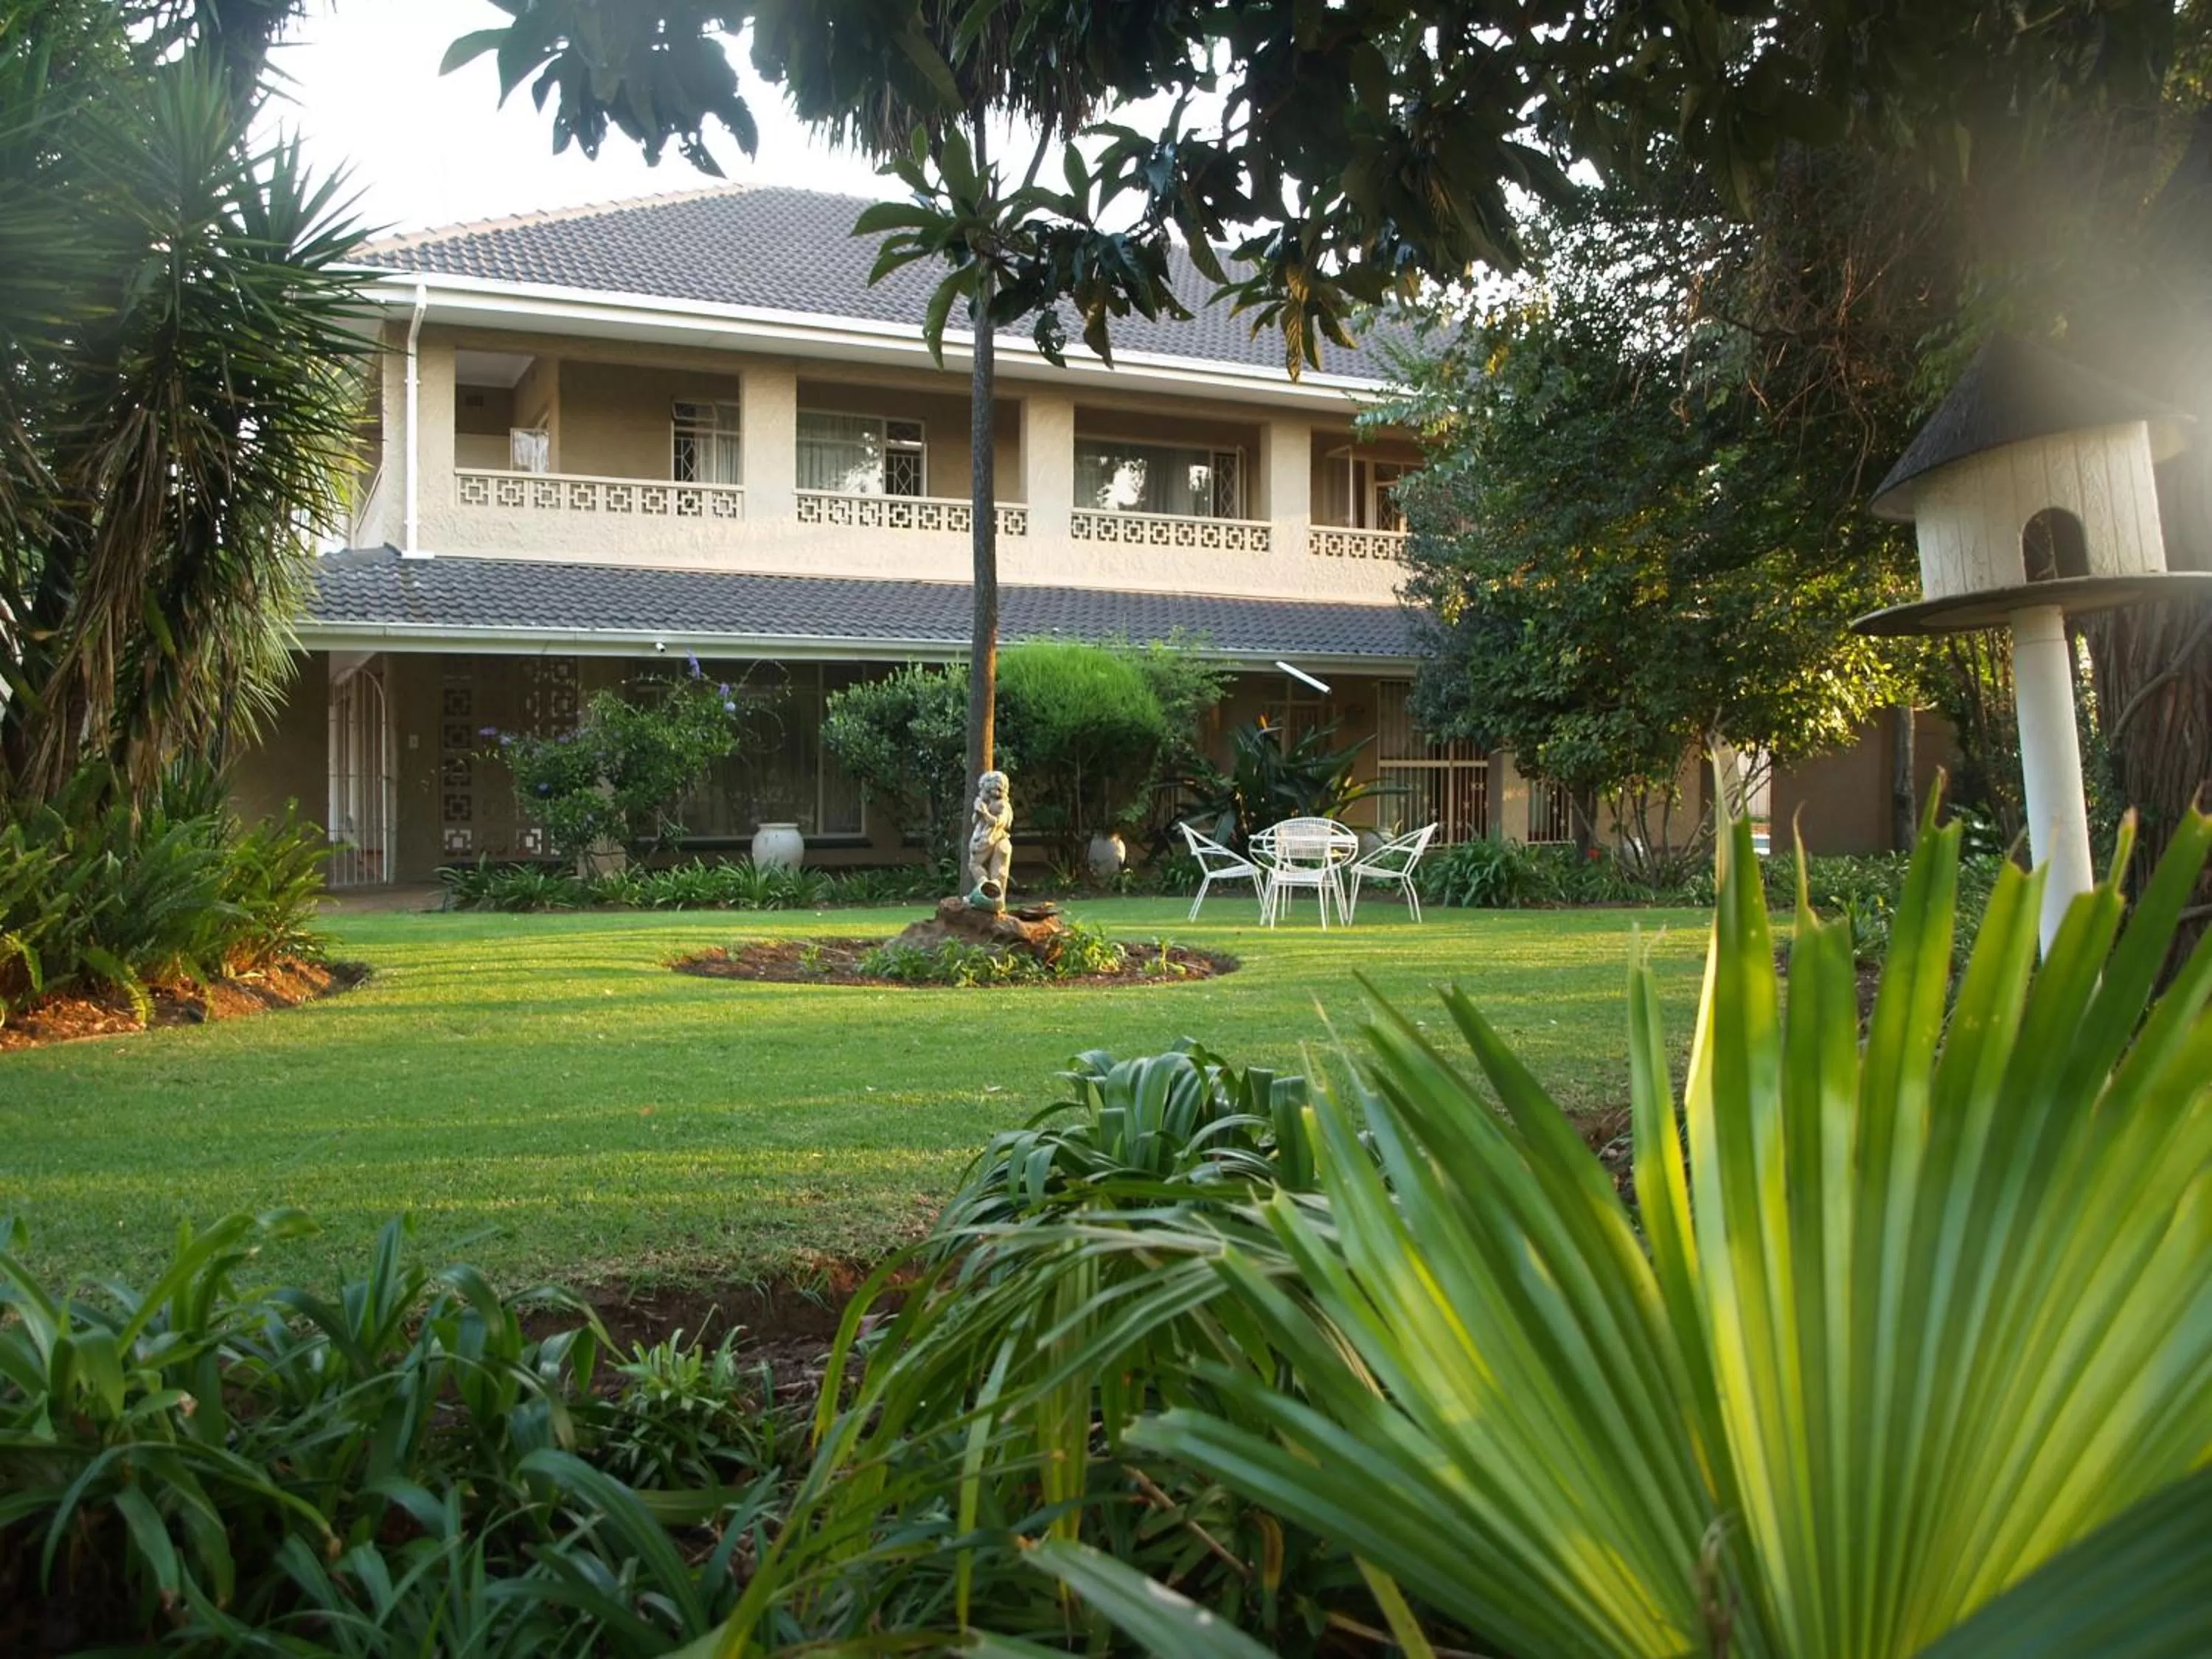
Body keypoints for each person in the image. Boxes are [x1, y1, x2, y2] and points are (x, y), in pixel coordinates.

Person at [965, 770, 1012, 912]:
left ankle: (994, 900)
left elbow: (997, 823)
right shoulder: (985, 803)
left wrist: (985, 813)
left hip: (996, 839)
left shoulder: (1003, 806)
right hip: (983, 839)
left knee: (997, 872)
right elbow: (975, 820)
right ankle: (985, 892)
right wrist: (978, 810)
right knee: (974, 864)